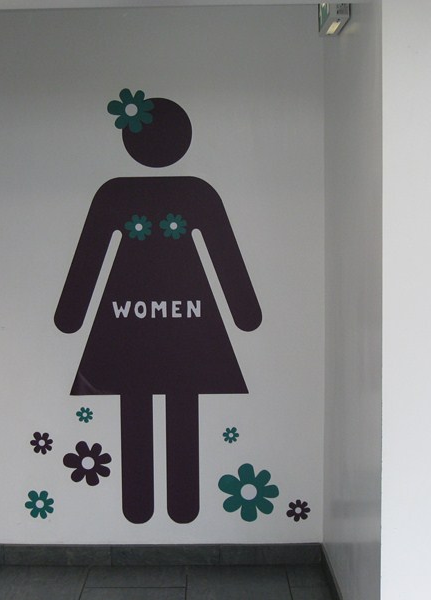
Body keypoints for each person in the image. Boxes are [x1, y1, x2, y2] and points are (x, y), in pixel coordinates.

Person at [55, 89, 261, 524]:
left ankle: (145, 506)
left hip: (131, 321)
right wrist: (244, 313)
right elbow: (224, 257)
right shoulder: (194, 192)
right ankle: (175, 506)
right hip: (184, 321)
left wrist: (71, 315)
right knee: (174, 400)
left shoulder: (117, 193)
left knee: (142, 403)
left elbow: (90, 259)